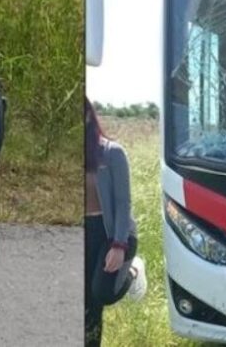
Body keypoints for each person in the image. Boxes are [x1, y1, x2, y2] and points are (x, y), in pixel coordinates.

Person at [85, 98, 146, 347]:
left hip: (112, 232)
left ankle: (134, 271)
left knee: (101, 293)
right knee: (88, 304)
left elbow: (123, 203)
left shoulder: (112, 153)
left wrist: (119, 245)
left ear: (88, 115)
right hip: (85, 232)